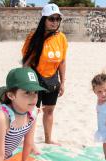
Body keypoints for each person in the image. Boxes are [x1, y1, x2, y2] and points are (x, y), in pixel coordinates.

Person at [21, 3, 68, 148]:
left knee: (49, 110)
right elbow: (26, 62)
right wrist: (26, 83)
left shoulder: (61, 38)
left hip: (52, 79)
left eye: (57, 19)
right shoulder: (33, 37)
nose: (55, 22)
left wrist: (62, 82)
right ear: (44, 19)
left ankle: (48, 139)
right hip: (35, 79)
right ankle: (29, 142)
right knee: (33, 112)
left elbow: (62, 61)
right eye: (51, 19)